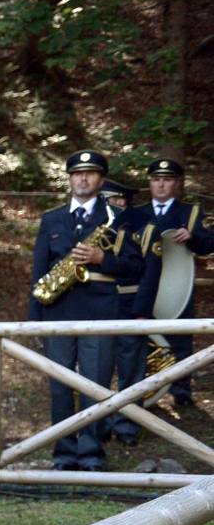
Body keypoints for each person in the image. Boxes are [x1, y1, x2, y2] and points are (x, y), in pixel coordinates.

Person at [28, 151, 144, 471]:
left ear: (101, 180)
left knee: (96, 384)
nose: (83, 178)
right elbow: (38, 271)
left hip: (100, 311)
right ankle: (64, 453)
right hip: (57, 311)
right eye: (77, 173)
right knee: (60, 387)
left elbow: (136, 266)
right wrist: (33, 321)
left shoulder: (119, 218)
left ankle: (92, 453)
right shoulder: (51, 218)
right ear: (69, 178)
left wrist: (101, 259)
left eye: (91, 173)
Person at [130, 159, 214, 411]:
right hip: (143, 284)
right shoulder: (136, 212)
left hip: (178, 282)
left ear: (176, 183)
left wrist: (193, 237)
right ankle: (147, 389)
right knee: (145, 338)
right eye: (156, 179)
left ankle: (181, 390)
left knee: (179, 338)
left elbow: (209, 243)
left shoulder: (191, 212)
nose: (161, 184)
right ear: (150, 183)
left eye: (167, 179)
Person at [98, 178, 147, 444]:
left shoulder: (134, 229)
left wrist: (103, 260)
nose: (111, 204)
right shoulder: (88, 226)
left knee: (130, 369)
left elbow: (140, 268)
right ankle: (100, 424)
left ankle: (128, 425)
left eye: (114, 200)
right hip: (96, 306)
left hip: (128, 304)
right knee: (98, 371)